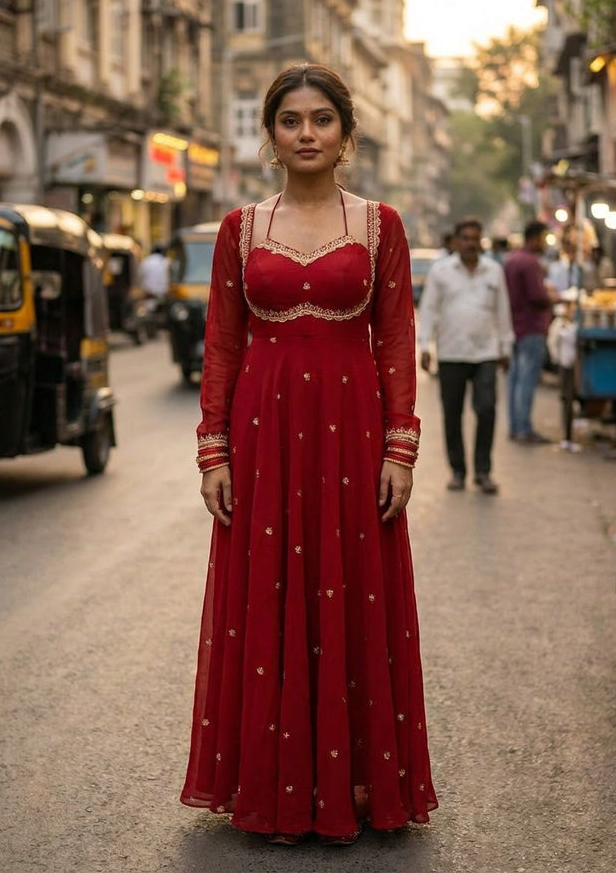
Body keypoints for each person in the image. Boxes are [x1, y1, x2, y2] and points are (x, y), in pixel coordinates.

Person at [180, 64, 437, 846]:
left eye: (320, 119)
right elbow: (221, 342)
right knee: (267, 597)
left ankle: (355, 784)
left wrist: (401, 447)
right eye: (290, 120)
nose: (305, 133)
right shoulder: (239, 229)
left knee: (351, 591)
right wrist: (212, 451)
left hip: (352, 435)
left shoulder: (379, 225)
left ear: (345, 133)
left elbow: (394, 337)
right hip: (261, 438)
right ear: (271, 134)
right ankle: (263, 784)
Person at [418, 218, 513, 494]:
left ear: (481, 241)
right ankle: (458, 470)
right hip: (451, 352)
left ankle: (483, 471)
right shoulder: (441, 271)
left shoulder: (493, 271)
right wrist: (425, 346)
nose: (471, 243)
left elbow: (502, 311)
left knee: (486, 409)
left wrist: (505, 348)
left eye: (475, 238)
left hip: (485, 352)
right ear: (456, 242)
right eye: (466, 238)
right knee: (452, 413)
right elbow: (430, 309)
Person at [504, 220, 559, 444]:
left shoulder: (512, 260)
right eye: (544, 238)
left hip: (515, 325)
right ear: (535, 237)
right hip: (531, 327)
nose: (545, 244)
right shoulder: (530, 262)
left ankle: (516, 426)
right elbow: (538, 296)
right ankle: (524, 428)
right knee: (526, 379)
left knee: (516, 379)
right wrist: (553, 298)